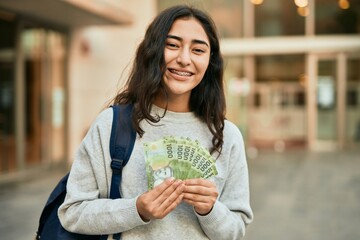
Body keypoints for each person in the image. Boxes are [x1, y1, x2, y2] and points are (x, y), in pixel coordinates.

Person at [58, 5, 253, 240]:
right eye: (172, 45)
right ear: (152, 50)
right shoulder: (112, 124)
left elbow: (236, 230)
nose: (184, 59)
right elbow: (72, 212)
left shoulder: (226, 135)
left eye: (198, 50)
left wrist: (210, 210)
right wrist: (136, 209)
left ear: (210, 61)